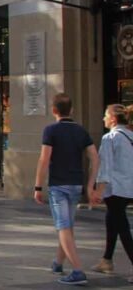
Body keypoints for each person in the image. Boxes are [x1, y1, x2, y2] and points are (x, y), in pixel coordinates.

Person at [33, 93, 99, 285]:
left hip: (58, 185)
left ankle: (78, 271)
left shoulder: (50, 130)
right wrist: (90, 185)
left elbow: (44, 159)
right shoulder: (81, 131)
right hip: (76, 184)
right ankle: (58, 262)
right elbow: (95, 158)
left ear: (54, 110)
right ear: (72, 110)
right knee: (67, 226)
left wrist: (38, 186)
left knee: (63, 226)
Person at [89, 104, 133, 282]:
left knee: (122, 227)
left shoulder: (109, 138)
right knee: (113, 219)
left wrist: (98, 191)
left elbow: (104, 167)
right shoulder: (130, 136)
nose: (103, 118)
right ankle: (106, 260)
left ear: (113, 119)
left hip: (116, 188)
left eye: (106, 115)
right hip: (128, 187)